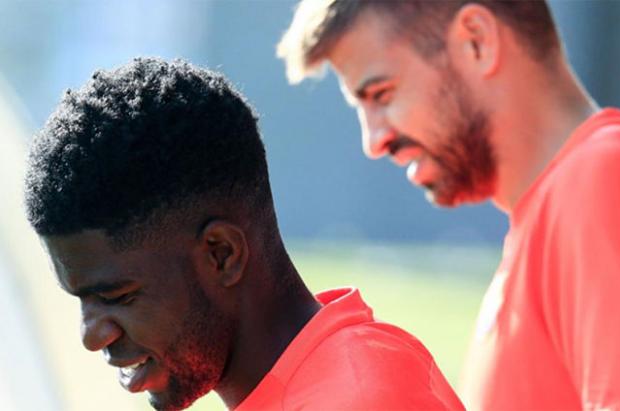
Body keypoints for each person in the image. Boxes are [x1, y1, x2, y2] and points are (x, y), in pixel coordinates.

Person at [277, 1, 620, 410]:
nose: (373, 141)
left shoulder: (604, 178)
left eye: (382, 94)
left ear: (476, 40)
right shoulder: (549, 214)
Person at [24, 57, 465, 411]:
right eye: (80, 299)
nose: (92, 336)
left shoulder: (362, 398)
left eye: (117, 296)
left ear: (222, 254)